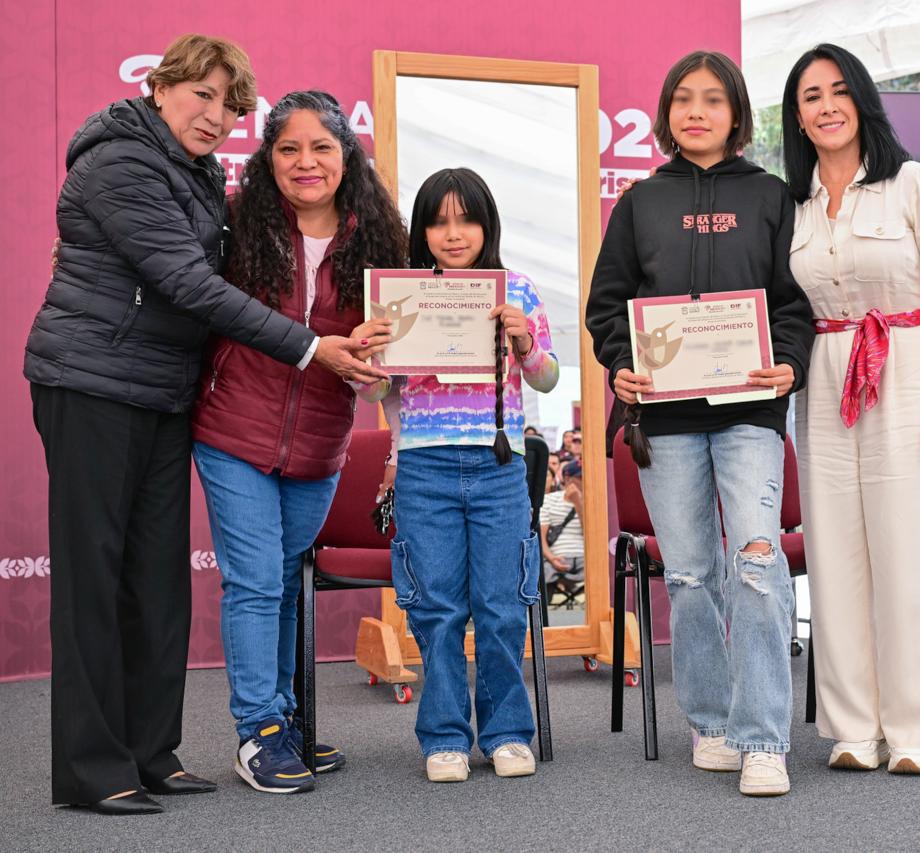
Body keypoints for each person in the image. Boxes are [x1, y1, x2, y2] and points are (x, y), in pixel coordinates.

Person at [22, 33, 385, 816]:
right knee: (95, 580)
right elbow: (185, 280)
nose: (215, 116)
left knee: (157, 584)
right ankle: (92, 766)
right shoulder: (119, 160)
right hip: (90, 382)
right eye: (201, 96)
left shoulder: (197, 179)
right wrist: (309, 345)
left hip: (162, 393)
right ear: (160, 87)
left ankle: (153, 753)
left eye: (228, 105)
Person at [586, 50, 814, 797]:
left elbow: (795, 299)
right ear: (666, 112)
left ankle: (763, 739)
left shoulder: (774, 196)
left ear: (737, 114)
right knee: (687, 576)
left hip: (750, 410)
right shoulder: (640, 202)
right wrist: (620, 364)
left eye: (713, 100)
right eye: (683, 99)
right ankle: (710, 722)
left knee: (754, 563)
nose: (696, 112)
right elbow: (607, 305)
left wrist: (789, 361)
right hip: (666, 417)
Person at [189, 91, 408, 794]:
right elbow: (171, 274)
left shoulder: (380, 242)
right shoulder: (234, 225)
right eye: (288, 148)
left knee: (283, 582)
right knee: (255, 581)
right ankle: (258, 733)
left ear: (347, 156)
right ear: (268, 157)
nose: (305, 162)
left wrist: (387, 376)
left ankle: (282, 721)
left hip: (319, 446)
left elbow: (391, 365)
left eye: (321, 147)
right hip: (232, 431)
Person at [781, 43, 920, 776]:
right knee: (835, 553)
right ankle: (852, 726)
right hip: (827, 381)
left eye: (838, 90)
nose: (826, 105)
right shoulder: (793, 207)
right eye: (811, 96)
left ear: (861, 100)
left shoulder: (915, 186)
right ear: (796, 117)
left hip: (908, 367)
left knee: (911, 548)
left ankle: (916, 729)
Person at [366, 167, 559, 783]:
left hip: (498, 462)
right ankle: (444, 735)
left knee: (502, 606)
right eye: (438, 220)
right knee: (436, 609)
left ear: (486, 224)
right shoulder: (400, 294)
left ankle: (506, 733)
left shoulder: (516, 289)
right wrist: (369, 352)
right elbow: (371, 386)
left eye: (466, 218)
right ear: (422, 230)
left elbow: (548, 379)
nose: (453, 233)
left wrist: (524, 341)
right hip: (423, 463)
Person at [540, 459, 585, 605]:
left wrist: (578, 502)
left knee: (603, 571)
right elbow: (541, 538)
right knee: (542, 572)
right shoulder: (548, 500)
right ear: (567, 478)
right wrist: (551, 558)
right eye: (579, 477)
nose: (583, 481)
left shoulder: (593, 500)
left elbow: (590, 536)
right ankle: (542, 620)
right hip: (555, 557)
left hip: (585, 558)